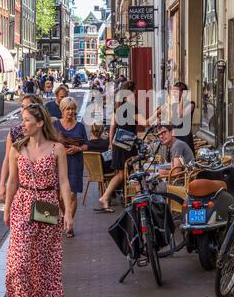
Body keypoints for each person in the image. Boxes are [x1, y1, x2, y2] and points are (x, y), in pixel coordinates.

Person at [4, 104, 73, 297]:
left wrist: (68, 214)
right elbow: (12, 182)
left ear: (40, 123)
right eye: (22, 120)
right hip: (22, 205)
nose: (22, 124)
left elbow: (64, 182)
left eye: (26, 120)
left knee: (42, 263)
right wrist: (6, 209)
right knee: (19, 262)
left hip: (47, 207)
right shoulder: (17, 149)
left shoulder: (57, 149)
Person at [97, 80, 159, 212]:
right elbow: (146, 123)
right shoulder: (131, 108)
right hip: (127, 145)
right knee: (128, 172)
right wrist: (157, 114)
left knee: (125, 173)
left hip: (118, 144)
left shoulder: (118, 107)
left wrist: (110, 144)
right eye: (133, 94)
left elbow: (113, 126)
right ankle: (112, 197)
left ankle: (130, 198)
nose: (134, 96)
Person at [53, 97, 88, 237]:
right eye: (68, 109)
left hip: (75, 163)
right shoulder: (55, 125)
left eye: (73, 109)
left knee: (72, 195)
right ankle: (64, 215)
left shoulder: (80, 126)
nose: (71, 111)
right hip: (58, 164)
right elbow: (49, 142)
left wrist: (77, 149)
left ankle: (69, 224)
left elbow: (86, 145)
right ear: (62, 110)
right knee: (59, 197)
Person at [0, 94, 44, 202]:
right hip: (20, 183)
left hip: (43, 186)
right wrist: (2, 185)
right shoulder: (14, 132)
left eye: (27, 106)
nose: (23, 109)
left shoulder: (46, 131)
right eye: (22, 106)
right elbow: (6, 159)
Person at [171, 81, 196, 155]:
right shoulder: (175, 105)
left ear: (183, 93)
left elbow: (180, 114)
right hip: (175, 137)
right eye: (173, 92)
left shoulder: (191, 104)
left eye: (175, 92)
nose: (173, 94)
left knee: (186, 162)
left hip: (185, 138)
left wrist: (182, 99)